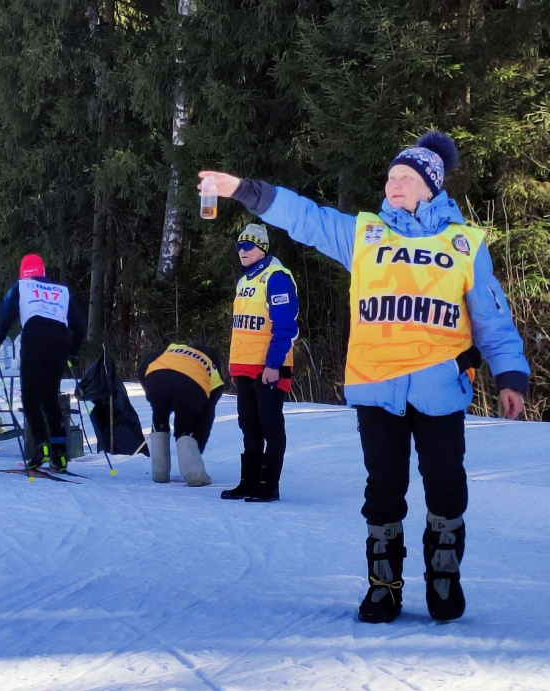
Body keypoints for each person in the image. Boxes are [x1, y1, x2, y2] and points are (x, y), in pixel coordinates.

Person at [199, 130, 530, 623]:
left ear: (430, 187)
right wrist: (246, 189)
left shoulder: (464, 245)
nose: (394, 184)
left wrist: (510, 376)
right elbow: (307, 219)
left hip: (441, 386)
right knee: (383, 488)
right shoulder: (366, 234)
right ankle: (384, 585)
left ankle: (443, 577)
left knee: (444, 484)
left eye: (406, 177)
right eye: (391, 176)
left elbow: (493, 319)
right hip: (377, 386)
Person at [219, 223, 299, 503]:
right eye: (239, 245)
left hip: (269, 368)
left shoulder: (276, 277)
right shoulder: (244, 281)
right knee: (249, 425)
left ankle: (268, 485)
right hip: (244, 367)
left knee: (270, 424)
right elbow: (241, 328)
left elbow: (285, 327)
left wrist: (273, 364)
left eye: (248, 246)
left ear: (262, 248)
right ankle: (248, 482)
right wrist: (234, 365)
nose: (242, 251)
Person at [0, 253, 86, 472]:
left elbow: (6, 317)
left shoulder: (20, 287)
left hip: (35, 338)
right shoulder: (61, 291)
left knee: (30, 397)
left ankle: (41, 446)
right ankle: (60, 453)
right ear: (42, 272)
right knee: (50, 397)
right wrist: (72, 352)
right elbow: (80, 327)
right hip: (60, 339)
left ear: (23, 273)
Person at [138, 343, 225, 487]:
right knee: (185, 428)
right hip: (191, 388)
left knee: (159, 419)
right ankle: (194, 473)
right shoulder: (214, 372)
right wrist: (197, 449)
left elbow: (144, 366)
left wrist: (151, 393)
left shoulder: (171, 348)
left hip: (156, 379)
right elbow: (206, 418)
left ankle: (159, 472)